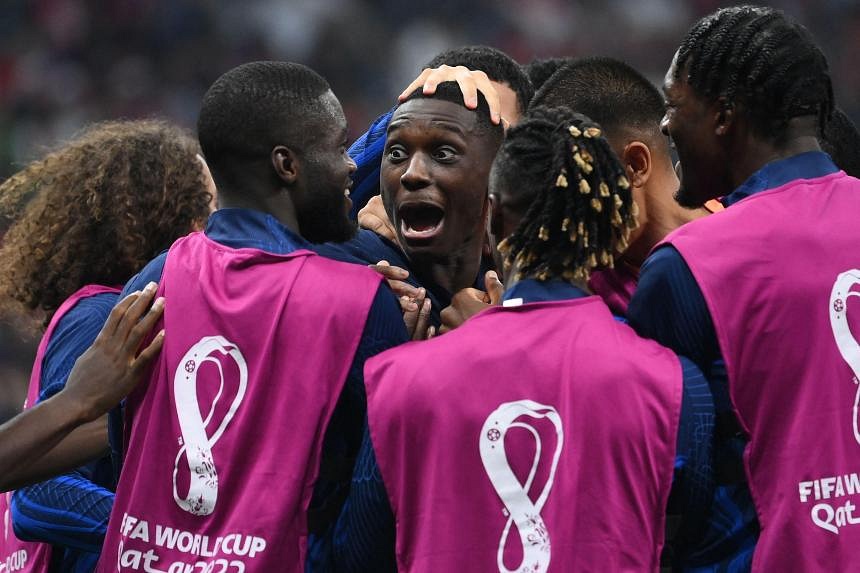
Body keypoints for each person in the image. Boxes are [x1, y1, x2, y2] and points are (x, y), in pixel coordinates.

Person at [328, 107, 714, 572]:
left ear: (492, 218)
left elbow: (358, 554)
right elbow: (689, 537)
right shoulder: (676, 387)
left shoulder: (401, 379)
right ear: (613, 229)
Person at [95, 62, 407, 573]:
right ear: (287, 165)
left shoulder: (150, 285)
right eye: (336, 146)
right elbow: (374, 496)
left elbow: (123, 449)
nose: (352, 166)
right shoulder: (362, 302)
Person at [628, 6, 860, 570]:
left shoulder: (690, 265)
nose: (664, 126)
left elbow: (650, 471)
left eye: (674, 105)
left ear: (723, 117)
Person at [0, 120, 215, 573]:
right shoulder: (106, 314)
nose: (219, 224)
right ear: (169, 215)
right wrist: (159, 531)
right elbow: (37, 495)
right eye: (208, 206)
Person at [529, 57, 714, 316]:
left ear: (636, 165)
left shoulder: (750, 234)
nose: (565, 220)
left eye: (573, 188)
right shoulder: (581, 293)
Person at [314, 81, 504, 332]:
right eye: (396, 153)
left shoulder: (520, 288)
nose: (412, 174)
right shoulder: (343, 268)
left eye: (443, 154)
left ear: (495, 178)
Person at [0, 288, 165, 493]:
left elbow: (20, 464)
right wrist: (77, 399)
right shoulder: (95, 314)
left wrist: (138, 419)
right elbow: (35, 498)